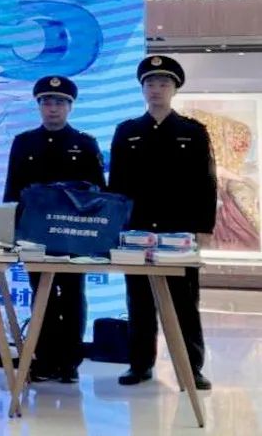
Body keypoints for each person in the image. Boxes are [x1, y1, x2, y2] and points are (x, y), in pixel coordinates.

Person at [109, 55, 217, 390]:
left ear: (174, 89)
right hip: (137, 228)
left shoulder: (192, 132)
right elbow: (116, 185)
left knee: (184, 301)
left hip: (178, 229)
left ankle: (191, 367)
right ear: (142, 89)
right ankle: (140, 364)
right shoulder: (127, 131)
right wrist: (114, 228)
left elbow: (206, 183)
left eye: (163, 83)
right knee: (139, 299)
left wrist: (204, 227)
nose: (156, 89)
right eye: (150, 84)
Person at [3, 76, 105, 383]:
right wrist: (10, 231)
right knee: (41, 294)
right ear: (38, 106)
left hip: (74, 235)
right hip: (35, 234)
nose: (53, 108)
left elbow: (98, 192)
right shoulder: (24, 142)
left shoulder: (84, 143)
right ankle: (45, 359)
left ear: (70, 107)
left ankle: (70, 362)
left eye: (60, 102)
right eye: (47, 102)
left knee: (73, 294)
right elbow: (12, 190)